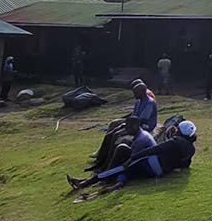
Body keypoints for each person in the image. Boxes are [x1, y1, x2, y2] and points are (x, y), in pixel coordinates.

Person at [68, 120, 198, 194]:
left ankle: (84, 183)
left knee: (121, 167)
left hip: (151, 163)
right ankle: (119, 183)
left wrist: (133, 158)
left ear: (180, 131)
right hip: (159, 172)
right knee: (130, 173)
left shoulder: (174, 141)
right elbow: (185, 164)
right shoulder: (191, 149)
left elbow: (153, 149)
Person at [87, 80, 158, 171]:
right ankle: (100, 159)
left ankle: (107, 163)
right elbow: (133, 116)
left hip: (144, 126)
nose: (134, 95)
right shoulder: (138, 101)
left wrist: (125, 125)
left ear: (141, 92)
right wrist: (124, 123)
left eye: (135, 93)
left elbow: (140, 120)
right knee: (111, 133)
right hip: (135, 122)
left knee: (116, 135)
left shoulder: (149, 103)